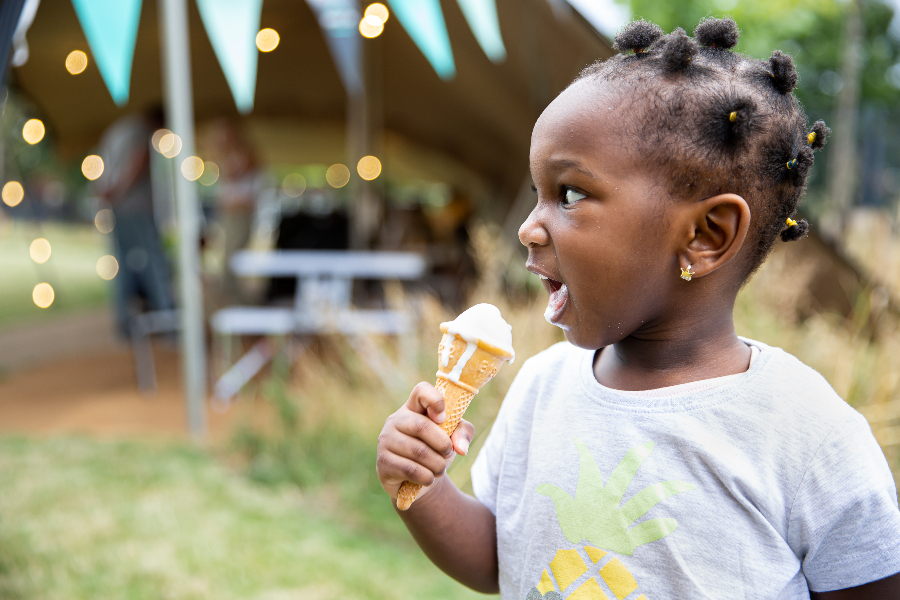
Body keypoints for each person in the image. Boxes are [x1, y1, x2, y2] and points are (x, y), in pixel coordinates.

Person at [375, 18, 900, 599]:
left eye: (570, 195)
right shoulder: (541, 387)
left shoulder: (807, 434)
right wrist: (423, 486)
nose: (528, 229)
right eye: (536, 195)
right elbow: (498, 557)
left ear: (706, 234)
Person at [96, 109, 174, 337]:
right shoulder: (139, 131)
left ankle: (125, 323)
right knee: (153, 263)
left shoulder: (117, 129)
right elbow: (138, 162)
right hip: (136, 206)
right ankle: (166, 320)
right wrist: (119, 191)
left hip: (119, 207)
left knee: (123, 265)